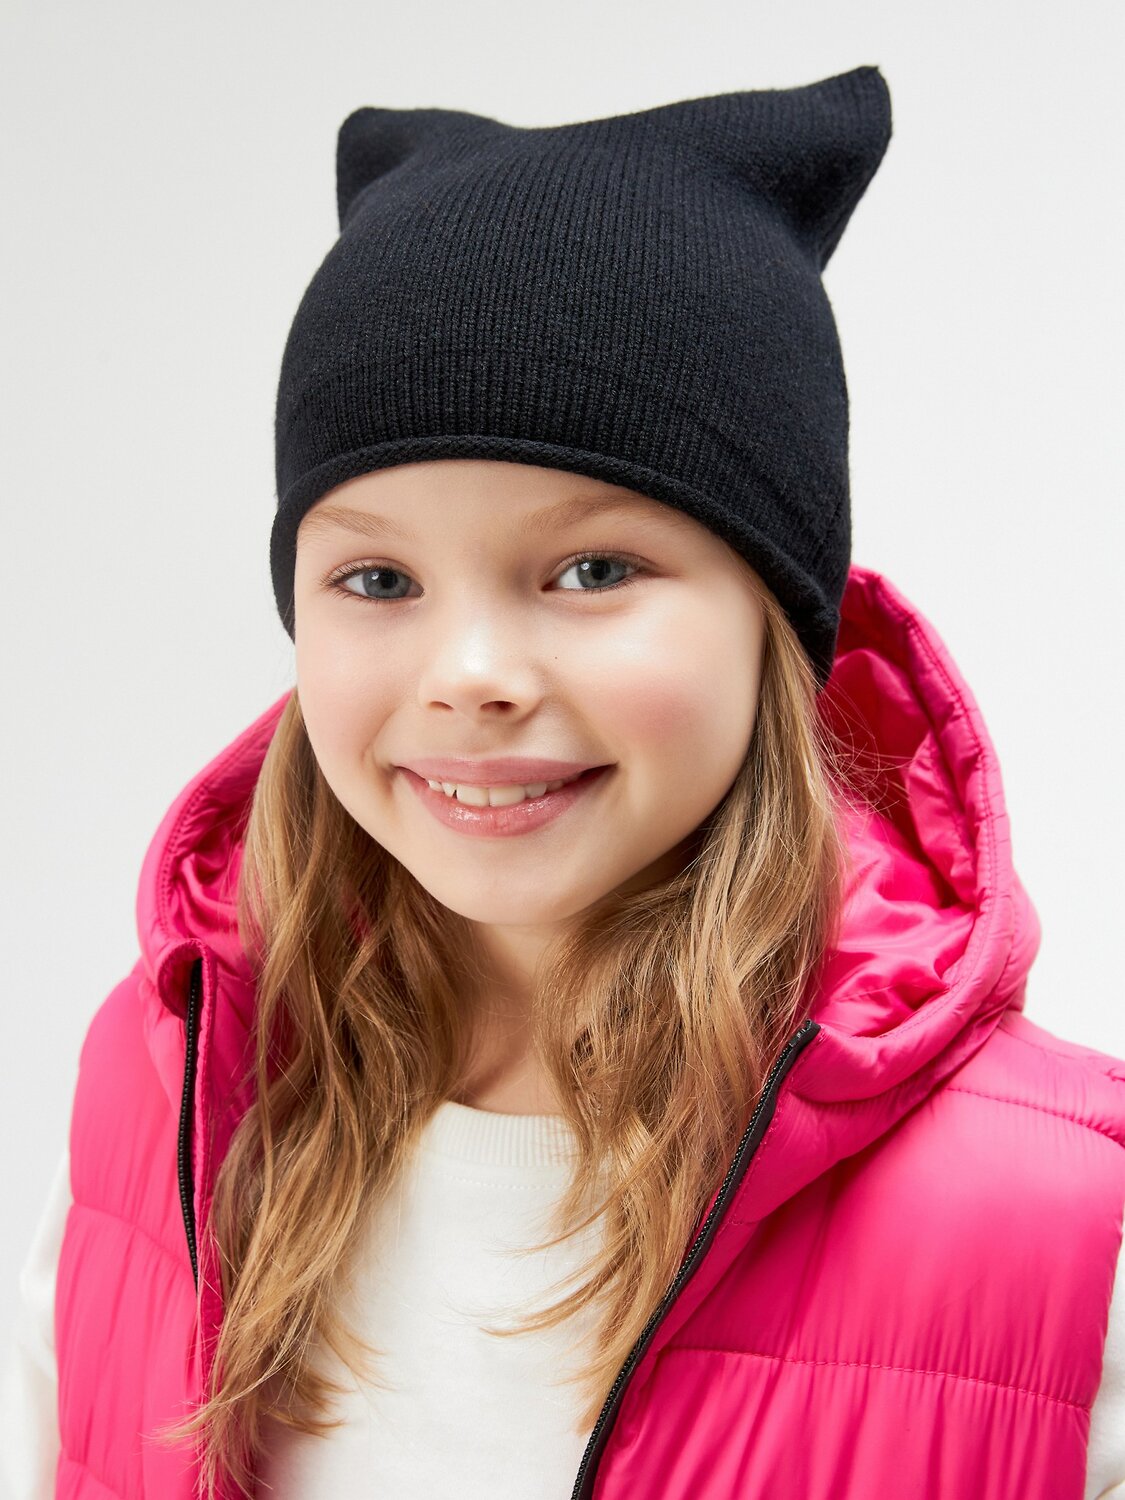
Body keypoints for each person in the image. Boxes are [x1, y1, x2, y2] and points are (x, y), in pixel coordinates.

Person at [3, 64, 1125, 1500]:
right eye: (377, 578)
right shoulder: (167, 1098)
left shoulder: (1062, 1227)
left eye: (592, 569)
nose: (470, 673)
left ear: (776, 622)